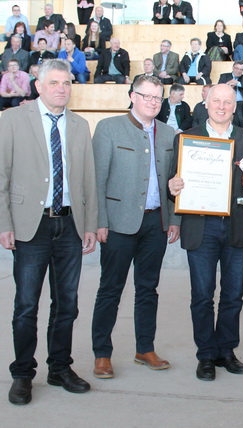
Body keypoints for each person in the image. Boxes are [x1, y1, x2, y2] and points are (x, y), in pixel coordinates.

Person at [0, 58, 97, 405]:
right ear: (38, 86)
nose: (61, 88)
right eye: (54, 82)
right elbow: (2, 176)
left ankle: (59, 368)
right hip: (31, 226)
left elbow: (88, 180)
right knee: (26, 305)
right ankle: (23, 374)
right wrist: (4, 224)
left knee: (67, 304)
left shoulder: (80, 124)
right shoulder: (12, 120)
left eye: (67, 83)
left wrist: (88, 224)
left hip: (70, 225)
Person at [168, 84, 243, 382]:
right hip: (200, 227)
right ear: (206, 101)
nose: (221, 106)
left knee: (233, 295)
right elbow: (171, 180)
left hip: (237, 226)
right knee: (202, 296)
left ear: (234, 106)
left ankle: (226, 351)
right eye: (216, 100)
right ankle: (205, 355)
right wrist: (172, 186)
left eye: (228, 102)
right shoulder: (187, 139)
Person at [91, 75, 180, 380]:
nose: (153, 102)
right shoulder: (108, 128)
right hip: (117, 224)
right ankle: (102, 354)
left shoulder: (169, 134)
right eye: (147, 96)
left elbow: (175, 183)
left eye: (158, 98)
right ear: (132, 96)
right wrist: (100, 220)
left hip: (156, 223)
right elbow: (96, 180)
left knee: (148, 289)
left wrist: (174, 220)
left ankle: (145, 349)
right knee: (110, 290)